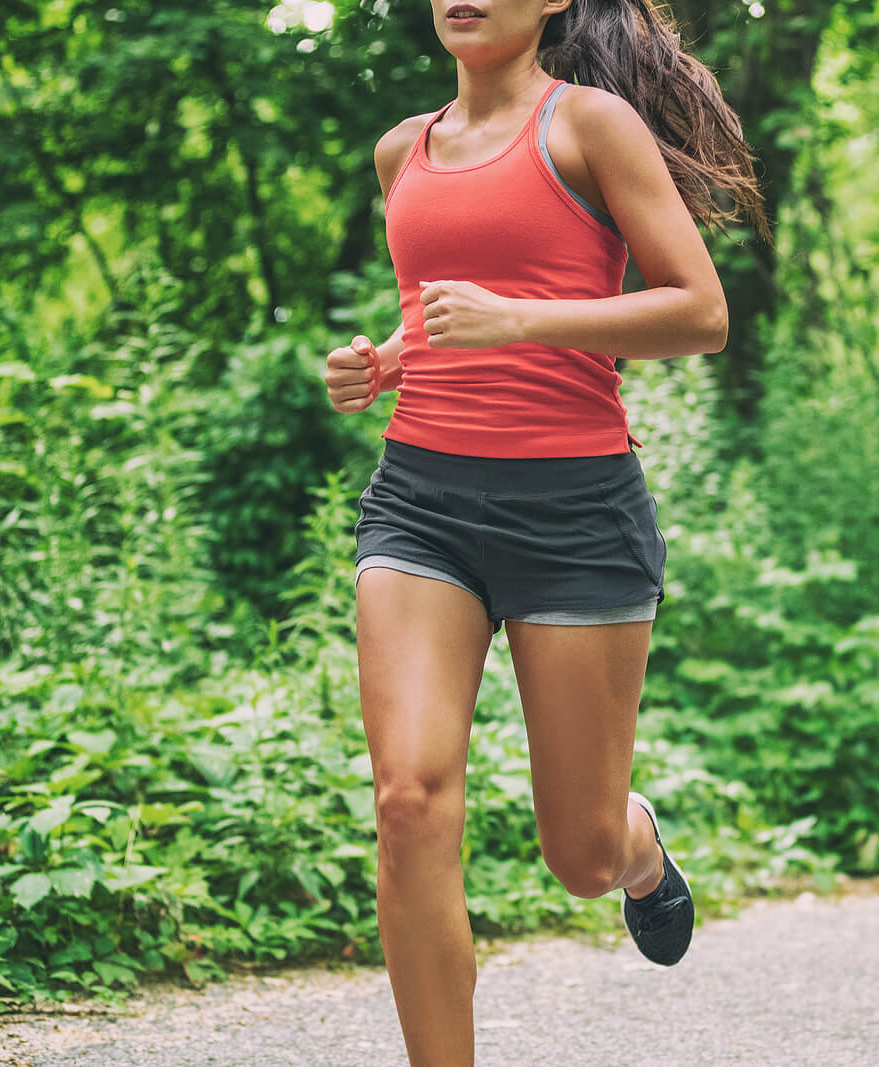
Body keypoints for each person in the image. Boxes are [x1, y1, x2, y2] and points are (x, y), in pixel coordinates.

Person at [320, 1, 767, 1062]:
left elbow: (699, 310)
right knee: (408, 800)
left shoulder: (589, 126)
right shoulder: (403, 151)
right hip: (420, 501)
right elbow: (432, 312)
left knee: (578, 853)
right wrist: (382, 360)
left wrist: (520, 318)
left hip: (574, 509)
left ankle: (632, 835)